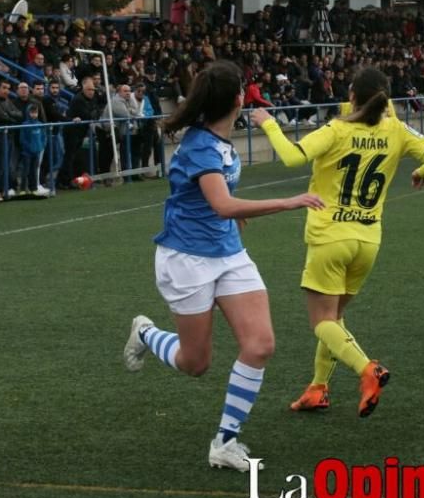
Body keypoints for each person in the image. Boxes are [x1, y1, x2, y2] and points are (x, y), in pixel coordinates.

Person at [121, 60, 324, 472]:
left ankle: (224, 443)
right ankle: (145, 331)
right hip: (186, 260)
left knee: (261, 345)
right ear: (236, 100)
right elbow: (221, 204)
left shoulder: (222, 141)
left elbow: (221, 204)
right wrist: (288, 201)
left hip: (228, 254)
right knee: (195, 364)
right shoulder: (199, 147)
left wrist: (236, 218)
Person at [249, 66, 424, 417]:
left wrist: (267, 122)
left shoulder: (337, 129)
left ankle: (367, 369)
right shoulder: (397, 129)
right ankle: (318, 389)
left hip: (330, 237)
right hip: (368, 240)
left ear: (352, 95)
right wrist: (421, 171)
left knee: (321, 322)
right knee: (335, 319)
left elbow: (293, 156)